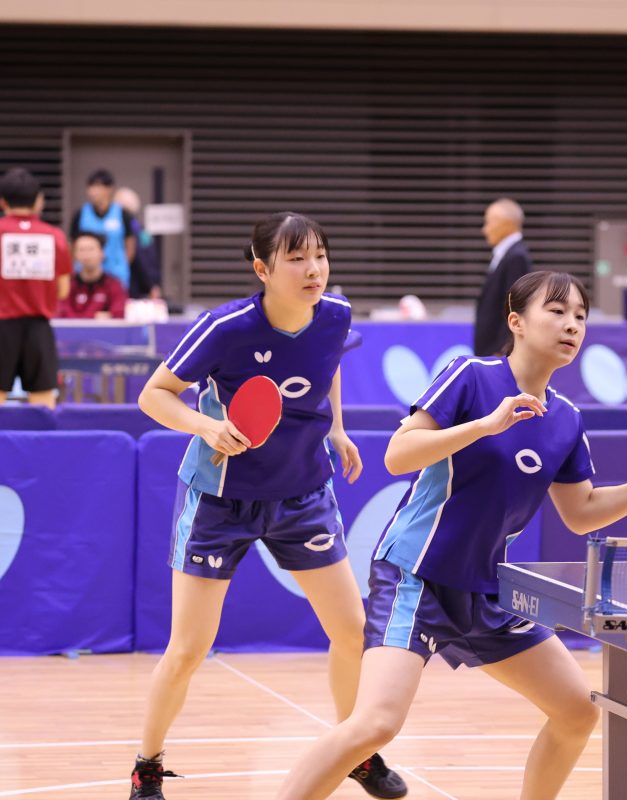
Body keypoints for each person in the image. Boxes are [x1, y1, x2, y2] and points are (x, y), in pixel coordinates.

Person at [275, 270, 627, 800]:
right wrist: (485, 426)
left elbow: (582, 511)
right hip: (417, 575)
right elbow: (397, 454)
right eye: (558, 311)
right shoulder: (471, 378)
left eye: (581, 316)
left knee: (575, 712)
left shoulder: (566, 419)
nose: (572, 325)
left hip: (484, 592)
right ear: (516, 322)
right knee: (375, 725)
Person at [129, 212, 405, 800]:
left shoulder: (336, 314)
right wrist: (206, 426)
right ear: (263, 268)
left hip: (302, 494)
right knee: (188, 649)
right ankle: (147, 763)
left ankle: (355, 750)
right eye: (297, 258)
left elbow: (326, 366)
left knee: (352, 631)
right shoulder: (224, 327)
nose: (314, 270)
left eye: (320, 256)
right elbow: (153, 395)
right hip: (220, 501)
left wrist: (336, 428)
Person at [0, 168, 71, 408]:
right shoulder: (55, 236)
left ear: (2, 201)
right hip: (39, 330)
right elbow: (63, 290)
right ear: (37, 201)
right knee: (44, 405)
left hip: (2, 329)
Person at [475, 198, 532, 356]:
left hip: (499, 352)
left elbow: (514, 306)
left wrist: (503, 349)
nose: (485, 230)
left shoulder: (516, 257)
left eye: (489, 223)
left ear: (505, 224)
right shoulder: (505, 254)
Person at [70, 169, 135, 289]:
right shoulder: (80, 214)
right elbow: (72, 245)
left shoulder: (122, 214)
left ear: (109, 189)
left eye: (98, 186)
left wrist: (122, 264)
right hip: (85, 275)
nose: (93, 191)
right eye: (90, 187)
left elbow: (130, 245)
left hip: (116, 273)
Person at [58, 231, 128, 319]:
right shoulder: (68, 284)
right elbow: (61, 313)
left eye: (91, 249)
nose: (86, 254)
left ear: (102, 253)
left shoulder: (114, 285)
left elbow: (118, 314)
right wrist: (95, 317)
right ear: (75, 255)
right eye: (81, 250)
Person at [114, 187, 163, 299]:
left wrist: (151, 285)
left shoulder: (134, 230)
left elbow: (143, 259)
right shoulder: (142, 229)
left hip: (133, 285)